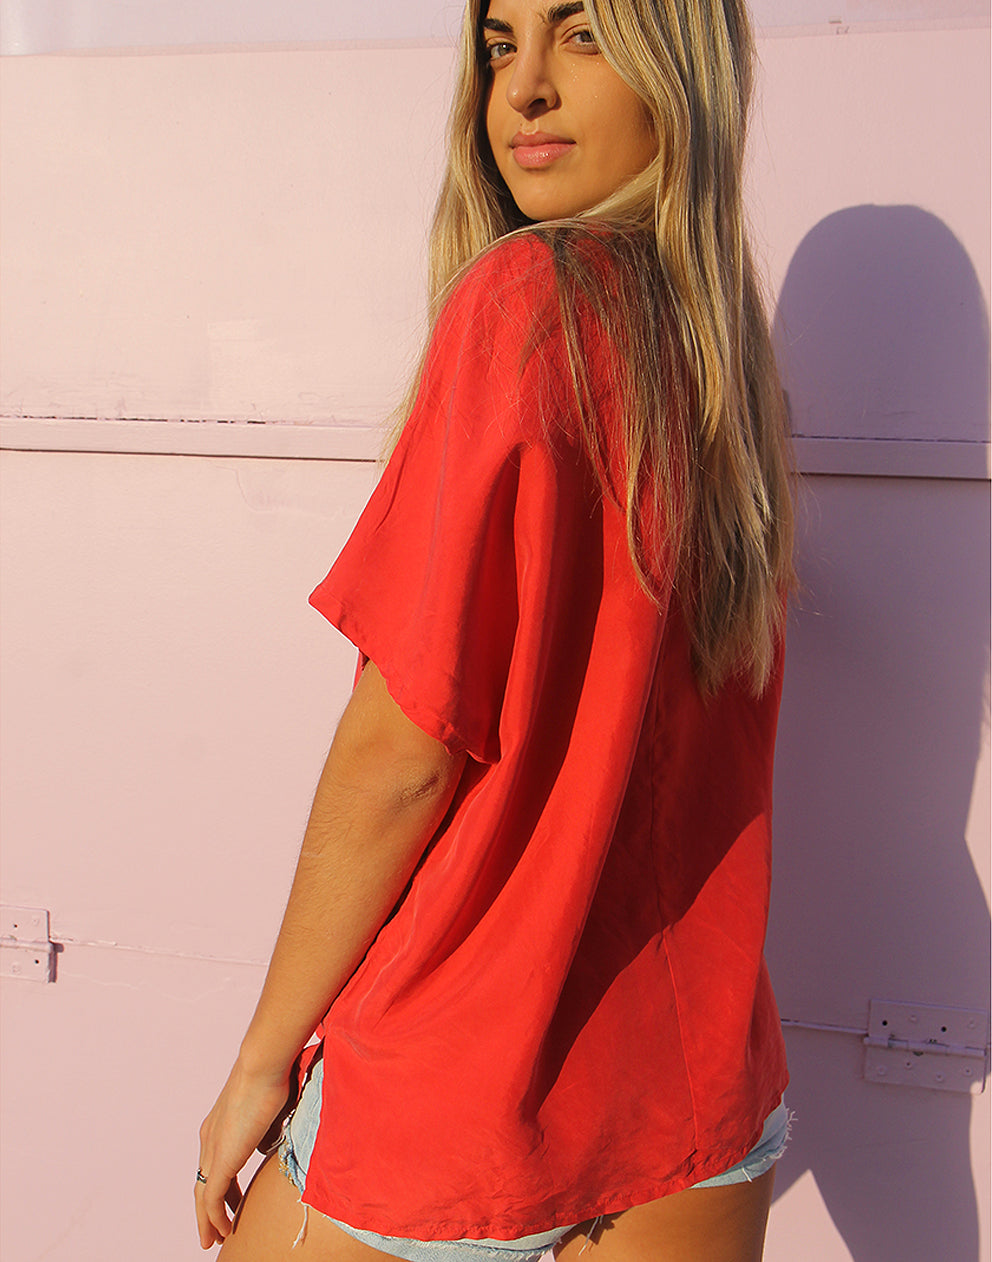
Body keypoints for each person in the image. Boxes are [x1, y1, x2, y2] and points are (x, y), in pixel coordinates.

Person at [195, 0, 796, 1258]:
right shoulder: (719, 355)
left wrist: (260, 1060)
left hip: (455, 1093)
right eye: (498, 42)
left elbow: (401, 754)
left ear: (677, 65)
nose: (522, 88)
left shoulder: (528, 297)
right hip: (690, 1089)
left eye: (581, 35)